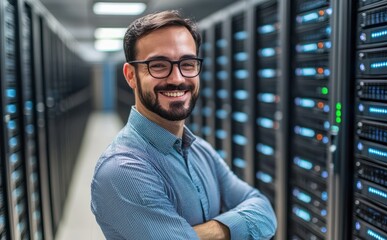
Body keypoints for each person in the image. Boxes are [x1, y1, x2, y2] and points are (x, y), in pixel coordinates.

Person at [90, 10, 277, 240]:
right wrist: (235, 224)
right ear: (131, 75)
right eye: (158, 65)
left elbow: (265, 211)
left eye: (187, 63)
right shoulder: (121, 170)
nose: (177, 78)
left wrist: (213, 231)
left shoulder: (200, 151)